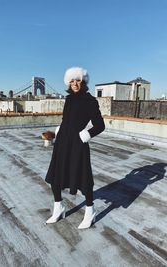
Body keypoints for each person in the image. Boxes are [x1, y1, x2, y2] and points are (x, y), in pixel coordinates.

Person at [45, 67, 105, 229]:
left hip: (78, 144)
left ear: (83, 81)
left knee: (84, 180)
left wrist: (85, 135)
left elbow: (100, 125)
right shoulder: (68, 99)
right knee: (55, 177)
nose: (75, 84)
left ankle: (90, 211)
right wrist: (58, 132)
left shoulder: (90, 101)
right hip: (62, 143)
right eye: (71, 81)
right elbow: (67, 120)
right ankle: (59, 208)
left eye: (77, 80)